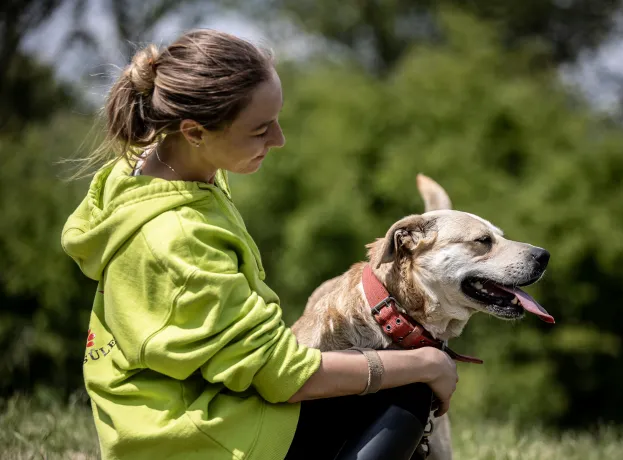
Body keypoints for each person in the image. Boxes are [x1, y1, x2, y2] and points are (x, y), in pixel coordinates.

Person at [62, 29, 459, 460]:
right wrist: (427, 364)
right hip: (193, 440)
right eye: (259, 130)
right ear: (194, 132)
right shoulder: (179, 239)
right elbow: (285, 377)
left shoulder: (150, 169)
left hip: (153, 422)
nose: (279, 140)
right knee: (408, 395)